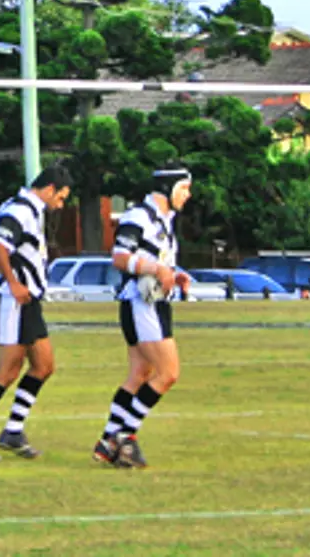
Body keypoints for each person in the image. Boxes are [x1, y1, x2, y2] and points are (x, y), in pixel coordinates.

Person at [0, 166, 72, 462]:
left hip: (27, 300)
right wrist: (12, 281)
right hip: (11, 300)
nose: (61, 204)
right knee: (8, 370)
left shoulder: (31, 211)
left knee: (44, 365)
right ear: (49, 189)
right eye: (60, 198)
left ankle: (12, 430)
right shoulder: (21, 209)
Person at [95, 166, 195, 469]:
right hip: (141, 304)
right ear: (167, 189)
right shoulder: (139, 216)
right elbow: (120, 258)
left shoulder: (164, 220)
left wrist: (173, 275)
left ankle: (107, 440)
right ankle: (124, 437)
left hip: (151, 302)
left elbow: (156, 262)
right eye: (184, 188)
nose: (188, 195)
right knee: (168, 373)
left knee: (139, 373)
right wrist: (157, 270)